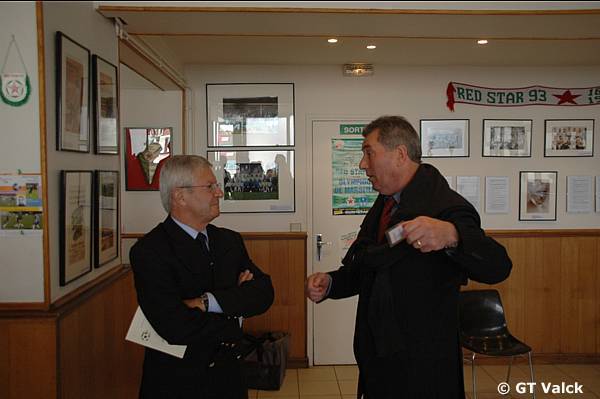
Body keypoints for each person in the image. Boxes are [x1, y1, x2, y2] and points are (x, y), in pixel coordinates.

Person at [306, 116, 512, 398]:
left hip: (423, 368)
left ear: (400, 154)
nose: (362, 164)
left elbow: (498, 266)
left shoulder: (445, 206)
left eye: (369, 153)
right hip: (379, 358)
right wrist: (331, 283)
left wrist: (452, 235)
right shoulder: (386, 203)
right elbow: (372, 264)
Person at [130, 155, 274, 398]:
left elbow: (264, 293)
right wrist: (235, 314)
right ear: (180, 196)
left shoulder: (229, 241)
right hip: (177, 383)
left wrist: (207, 302)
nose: (219, 193)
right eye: (210, 187)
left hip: (229, 379)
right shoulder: (150, 251)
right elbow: (174, 326)